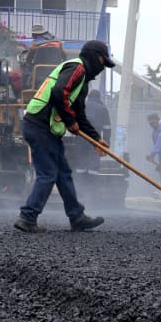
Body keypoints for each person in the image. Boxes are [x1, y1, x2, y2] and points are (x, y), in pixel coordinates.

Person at [14, 39, 114, 233]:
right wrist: (69, 121)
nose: (101, 69)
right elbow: (59, 92)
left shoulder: (82, 82)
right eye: (103, 62)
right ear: (94, 57)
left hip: (47, 129)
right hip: (39, 125)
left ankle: (77, 217)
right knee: (48, 173)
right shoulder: (77, 68)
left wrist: (96, 139)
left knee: (63, 173)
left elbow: (80, 115)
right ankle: (27, 217)